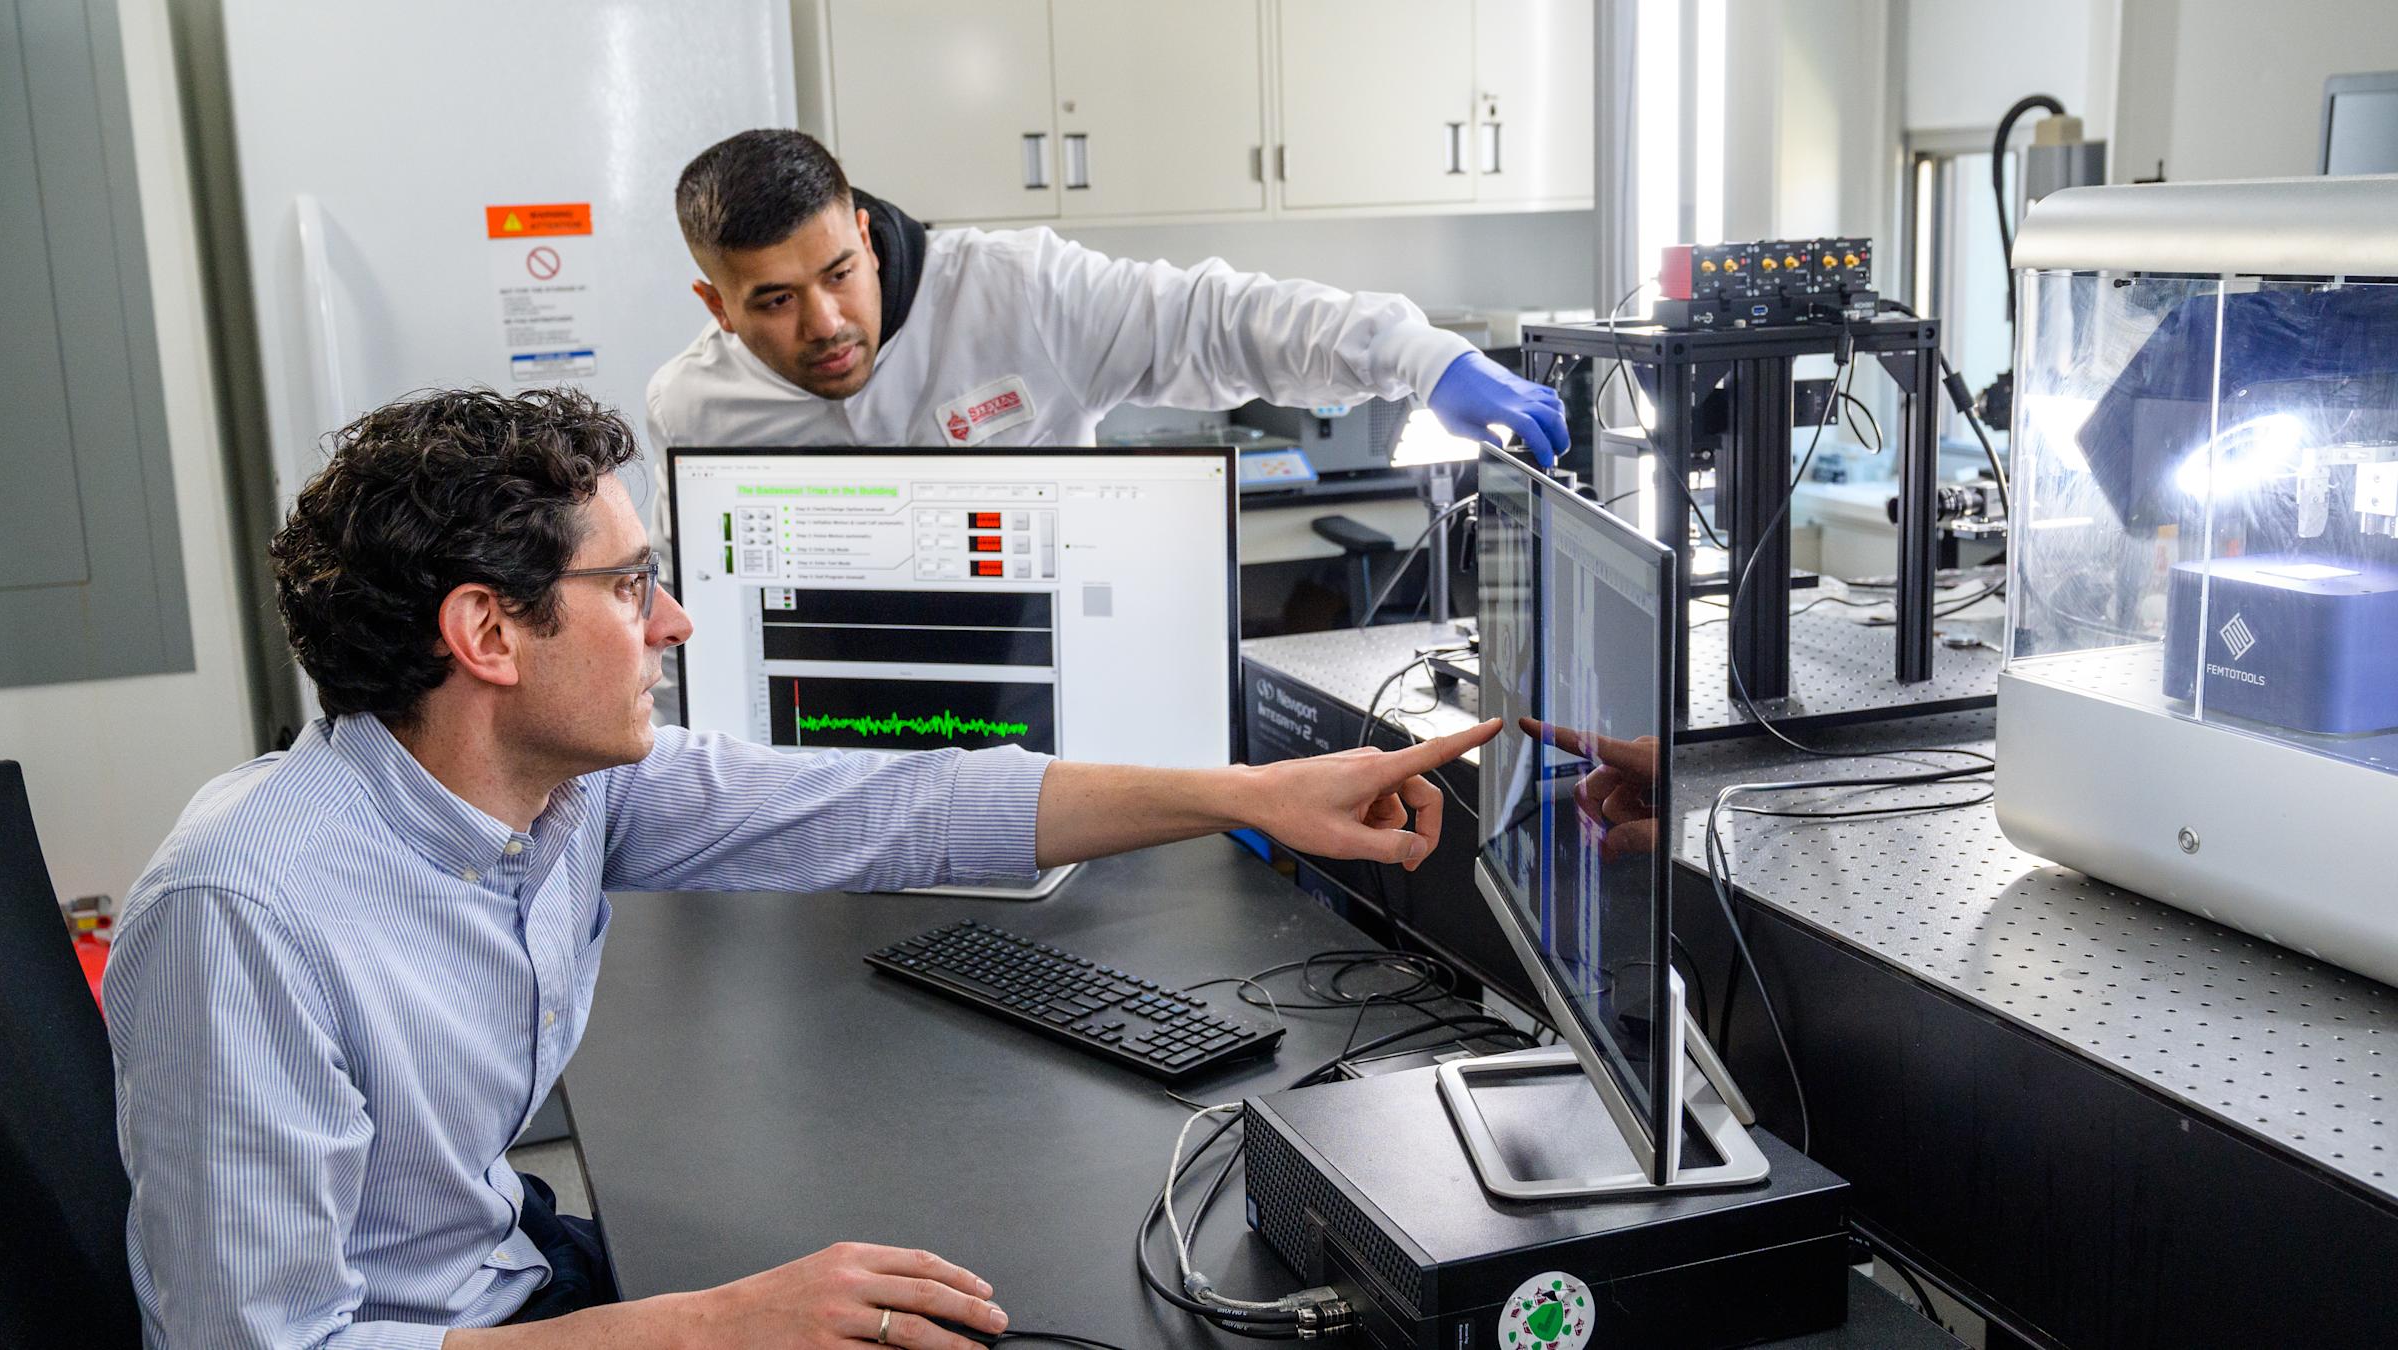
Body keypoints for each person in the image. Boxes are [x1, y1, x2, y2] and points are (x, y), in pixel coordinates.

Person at [106, 387, 1498, 1349]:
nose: (673, 619)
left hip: (500, 1262)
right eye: (629, 584)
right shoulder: (246, 916)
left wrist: (1251, 796)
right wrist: (709, 1323)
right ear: (487, 634)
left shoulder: (564, 793)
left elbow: (902, 806)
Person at [645, 129, 1568, 465]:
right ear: (716, 306)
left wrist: (1422, 355)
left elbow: (1220, 319)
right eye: (775, 301)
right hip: (828, 739)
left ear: (861, 232)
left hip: (1046, 716)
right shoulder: (695, 409)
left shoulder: (1017, 292)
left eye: (841, 274)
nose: (826, 324)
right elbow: (682, 622)